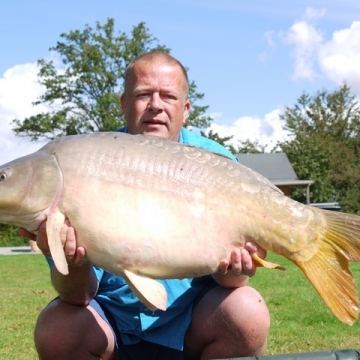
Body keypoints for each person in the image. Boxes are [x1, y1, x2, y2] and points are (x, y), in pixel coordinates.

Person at [20, 52, 270, 360]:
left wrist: (238, 267)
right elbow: (78, 296)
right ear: (125, 104)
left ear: (185, 108)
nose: (156, 105)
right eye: (143, 95)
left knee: (247, 312)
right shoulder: (82, 162)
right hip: (110, 322)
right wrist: (70, 262)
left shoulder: (217, 162)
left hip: (191, 321)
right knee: (57, 328)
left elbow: (232, 281)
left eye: (168, 96)